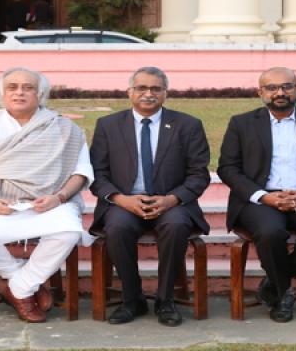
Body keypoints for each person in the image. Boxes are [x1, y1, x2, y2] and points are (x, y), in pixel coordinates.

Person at [0, 67, 93, 323]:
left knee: (69, 231)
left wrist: (59, 198)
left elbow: (80, 172)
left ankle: (18, 289)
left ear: (40, 94)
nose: (19, 93)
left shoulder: (65, 128)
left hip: (47, 203)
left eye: (28, 88)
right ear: (2, 94)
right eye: (12, 87)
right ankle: (22, 281)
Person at [217, 67, 296, 322]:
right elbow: (228, 168)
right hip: (260, 200)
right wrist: (264, 196)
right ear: (260, 92)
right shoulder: (241, 123)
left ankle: (275, 282)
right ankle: (283, 293)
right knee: (270, 232)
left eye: (287, 86)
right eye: (272, 87)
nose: (280, 92)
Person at [89, 67, 211, 327]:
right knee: (117, 227)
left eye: (156, 88)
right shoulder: (108, 125)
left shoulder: (188, 125)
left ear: (165, 93)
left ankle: (166, 300)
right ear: (129, 92)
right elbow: (98, 174)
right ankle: (132, 299)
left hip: (171, 202)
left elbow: (199, 174)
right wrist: (120, 199)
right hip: (124, 202)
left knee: (176, 225)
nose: (148, 94)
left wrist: (171, 199)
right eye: (141, 88)